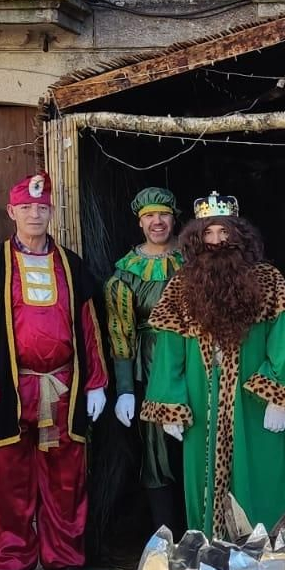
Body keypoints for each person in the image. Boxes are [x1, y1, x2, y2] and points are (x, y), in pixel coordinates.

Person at [140, 192, 285, 562]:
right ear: (197, 237)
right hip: (201, 405)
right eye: (209, 232)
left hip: (254, 402)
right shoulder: (182, 285)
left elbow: (281, 340)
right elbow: (169, 351)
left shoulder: (268, 280)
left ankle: (274, 558)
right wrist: (172, 406)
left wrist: (278, 395)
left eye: (224, 231)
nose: (217, 240)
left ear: (239, 235)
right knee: (203, 483)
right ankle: (212, 554)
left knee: (264, 477)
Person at [0, 172, 107, 570]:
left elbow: (91, 328)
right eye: (26, 208)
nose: (35, 215)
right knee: (10, 478)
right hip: (12, 389)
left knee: (66, 478)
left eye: (42, 208)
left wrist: (96, 382)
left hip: (63, 387)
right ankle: (10, 560)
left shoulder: (73, 267)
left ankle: (64, 559)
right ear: (12, 213)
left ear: (51, 212)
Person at [105, 185, 185, 535]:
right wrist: (124, 388)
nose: (157, 221)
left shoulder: (192, 261)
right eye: (149, 215)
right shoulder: (125, 272)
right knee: (158, 452)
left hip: (194, 363)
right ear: (140, 222)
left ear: (173, 218)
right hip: (150, 367)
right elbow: (120, 332)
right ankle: (165, 538)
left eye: (163, 214)